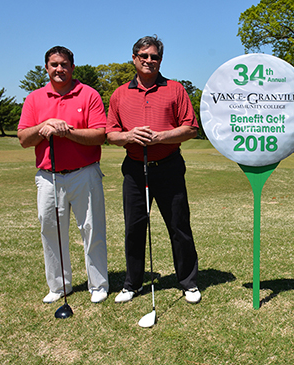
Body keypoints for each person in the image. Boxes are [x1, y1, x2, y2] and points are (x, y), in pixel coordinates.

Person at [106, 35, 201, 304]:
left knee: (179, 226)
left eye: (154, 56)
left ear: (161, 59)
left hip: (169, 167)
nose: (149, 61)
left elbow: (191, 128)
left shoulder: (175, 89)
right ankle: (132, 284)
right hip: (135, 169)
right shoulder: (119, 94)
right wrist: (129, 136)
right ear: (134, 58)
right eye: (144, 56)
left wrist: (160, 137)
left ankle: (188, 282)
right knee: (134, 228)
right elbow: (110, 133)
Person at [17, 46, 109, 304]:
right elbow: (24, 138)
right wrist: (44, 127)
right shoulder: (34, 98)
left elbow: (99, 135)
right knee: (51, 231)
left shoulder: (88, 94)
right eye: (54, 64)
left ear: (72, 67)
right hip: (48, 176)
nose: (59, 69)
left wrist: (66, 131)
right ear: (47, 68)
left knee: (92, 229)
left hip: (85, 172)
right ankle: (58, 286)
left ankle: (98, 284)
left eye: (64, 64)